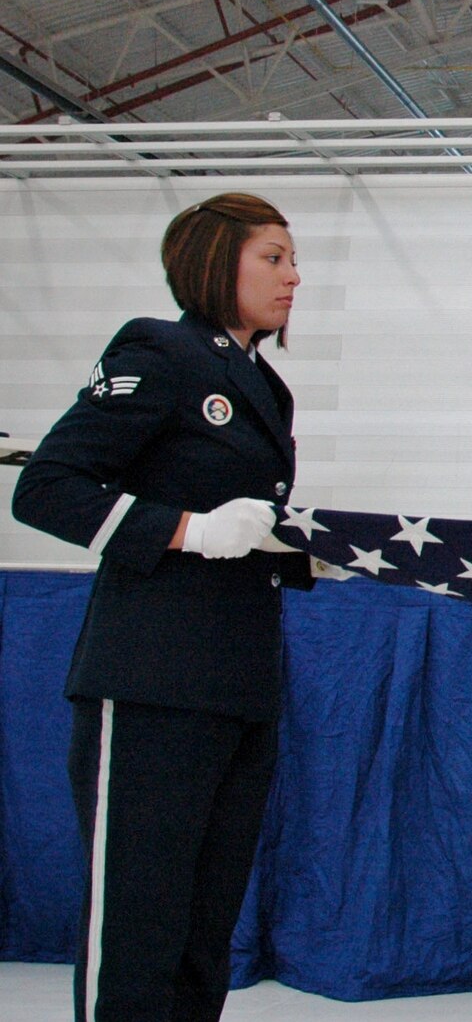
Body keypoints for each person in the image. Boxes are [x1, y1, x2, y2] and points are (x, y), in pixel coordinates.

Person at [11, 193, 314, 1022]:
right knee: (138, 927)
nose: (295, 276)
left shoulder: (263, 386)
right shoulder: (161, 349)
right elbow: (47, 488)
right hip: (152, 679)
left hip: (237, 681)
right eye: (274, 257)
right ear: (217, 263)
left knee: (200, 929)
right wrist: (186, 528)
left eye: (293, 259)